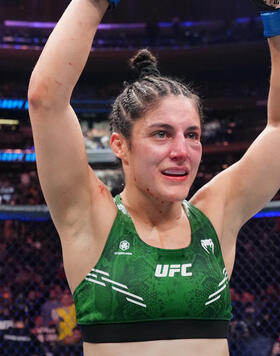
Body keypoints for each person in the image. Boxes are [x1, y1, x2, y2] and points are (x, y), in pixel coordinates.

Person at [27, 0, 280, 355]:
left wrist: (277, 16)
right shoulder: (92, 219)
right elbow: (46, 100)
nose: (182, 151)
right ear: (120, 146)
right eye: (161, 134)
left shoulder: (215, 215)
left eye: (192, 135)